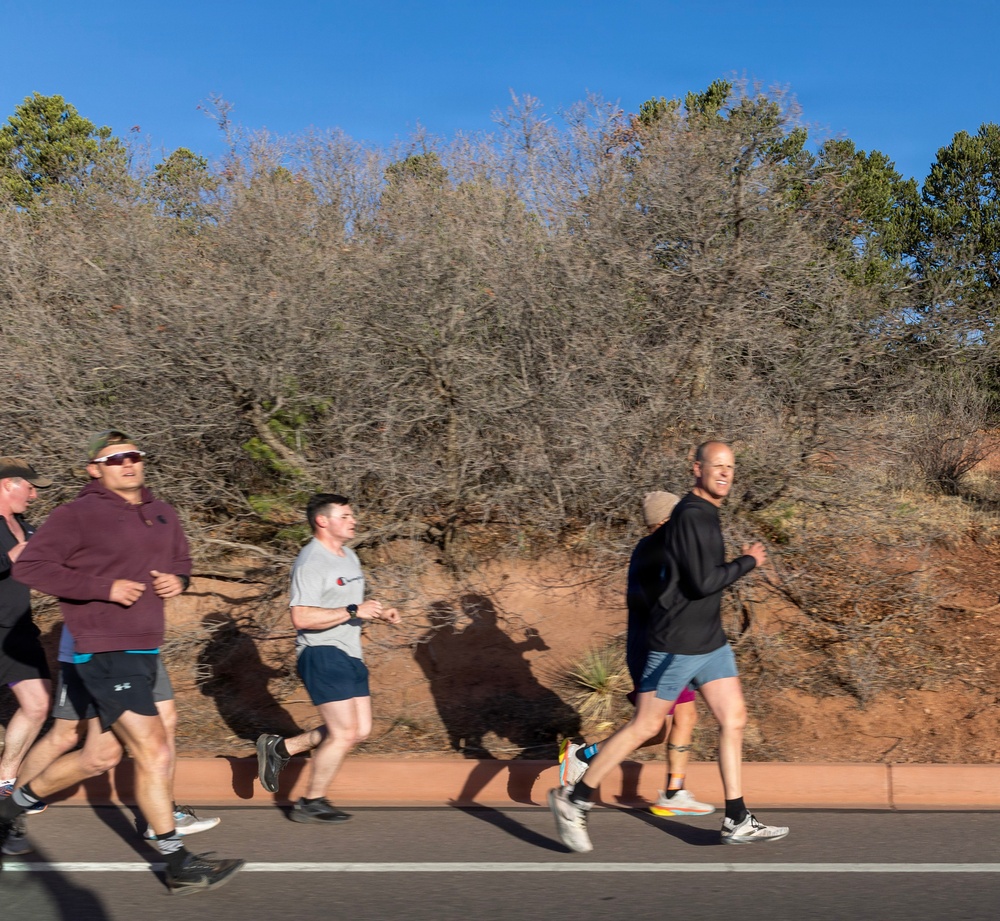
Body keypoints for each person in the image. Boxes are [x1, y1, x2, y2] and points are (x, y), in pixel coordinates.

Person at [1, 430, 243, 894]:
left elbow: (182, 562)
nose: (126, 464)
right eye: (114, 459)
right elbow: (29, 567)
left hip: (146, 647)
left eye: (133, 455)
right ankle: (177, 861)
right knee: (154, 749)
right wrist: (103, 588)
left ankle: (9, 809)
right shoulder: (77, 515)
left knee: (99, 757)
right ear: (95, 469)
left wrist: (180, 582)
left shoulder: (162, 513)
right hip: (102, 648)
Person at [548, 441, 789, 851]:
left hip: (709, 640)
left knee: (734, 718)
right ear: (697, 468)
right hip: (678, 644)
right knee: (647, 726)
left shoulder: (703, 515)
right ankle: (576, 797)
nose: (726, 473)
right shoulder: (694, 517)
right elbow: (703, 583)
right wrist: (749, 561)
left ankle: (736, 818)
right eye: (718, 466)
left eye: (730, 467)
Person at [558, 490, 715, 817]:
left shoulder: (653, 548)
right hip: (660, 649)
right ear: (665, 520)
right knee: (675, 720)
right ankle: (673, 791)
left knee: (656, 730)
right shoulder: (659, 550)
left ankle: (584, 757)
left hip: (659, 647)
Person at [5, 620, 220, 857]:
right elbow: (66, 584)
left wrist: (178, 580)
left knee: (166, 721)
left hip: (142, 648)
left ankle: (163, 816)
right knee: (67, 737)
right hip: (90, 653)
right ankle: (12, 811)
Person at [256, 493, 400, 823]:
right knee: (344, 732)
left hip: (350, 651)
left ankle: (283, 749)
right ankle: (311, 800)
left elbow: (347, 606)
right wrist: (353, 610)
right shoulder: (311, 561)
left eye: (352, 516)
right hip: (321, 653)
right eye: (346, 516)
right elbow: (301, 617)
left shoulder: (348, 556)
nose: (353, 521)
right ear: (323, 521)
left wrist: (377, 613)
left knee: (359, 730)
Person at [0, 457, 54, 856]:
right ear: (6, 485)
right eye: (29, 488)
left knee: (37, 704)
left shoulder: (28, 528)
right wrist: (10, 558)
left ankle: (5, 781)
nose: (34, 495)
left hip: (17, 631)